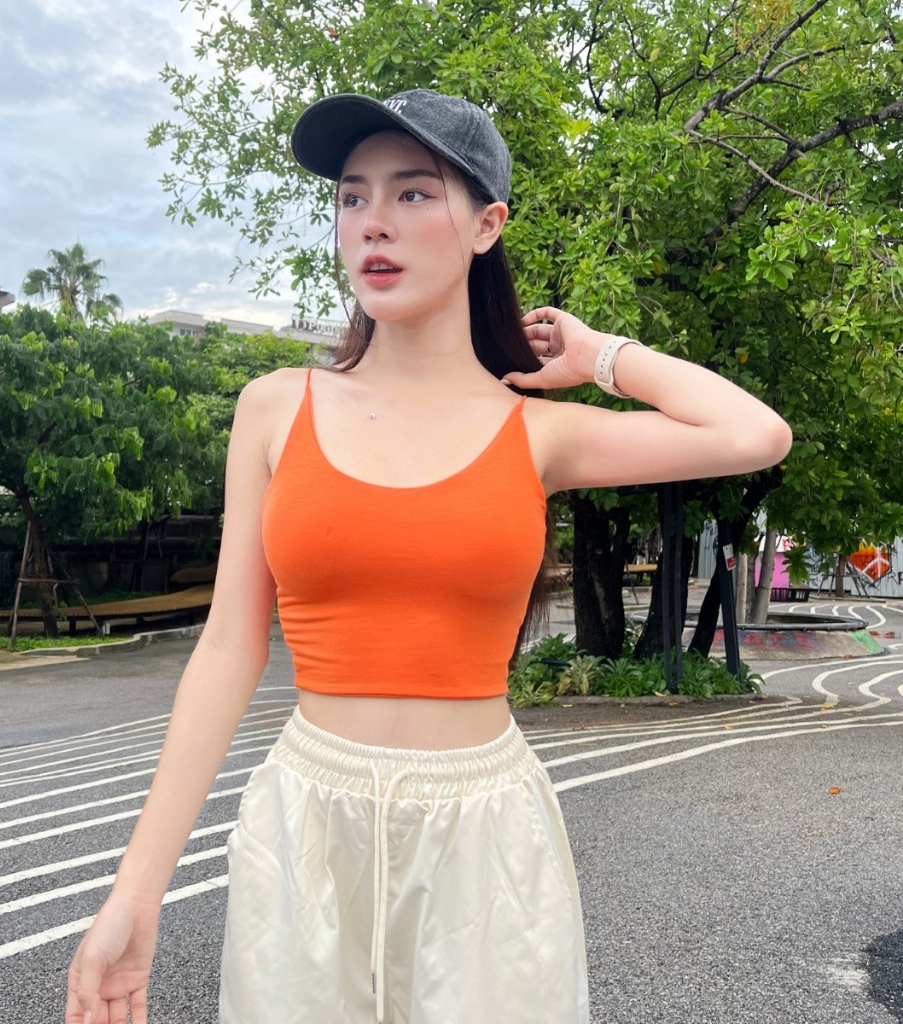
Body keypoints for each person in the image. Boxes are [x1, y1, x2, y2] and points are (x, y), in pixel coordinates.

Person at [65, 89, 792, 1024]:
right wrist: (135, 894)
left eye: (413, 193)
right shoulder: (276, 408)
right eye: (352, 196)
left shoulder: (539, 432)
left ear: (487, 225)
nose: (373, 221)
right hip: (306, 823)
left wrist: (597, 356)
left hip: (483, 829)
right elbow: (229, 647)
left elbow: (754, 433)